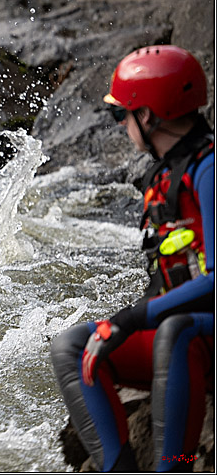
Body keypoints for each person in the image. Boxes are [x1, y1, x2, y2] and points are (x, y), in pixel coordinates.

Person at [50, 45, 214, 472]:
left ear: (147, 115)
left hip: (196, 334)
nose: (121, 124)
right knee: (72, 345)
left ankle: (175, 465)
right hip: (191, 334)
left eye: (121, 114)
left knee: (174, 330)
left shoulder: (210, 170)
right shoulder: (167, 171)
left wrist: (133, 317)